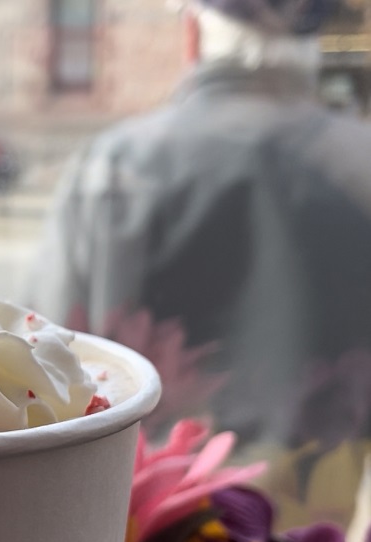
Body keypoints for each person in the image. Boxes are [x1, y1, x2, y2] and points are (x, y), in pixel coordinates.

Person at [24, 0, 371, 455]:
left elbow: (40, 372)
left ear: (192, 27)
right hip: (325, 515)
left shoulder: (115, 166)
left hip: (147, 514)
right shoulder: (359, 164)